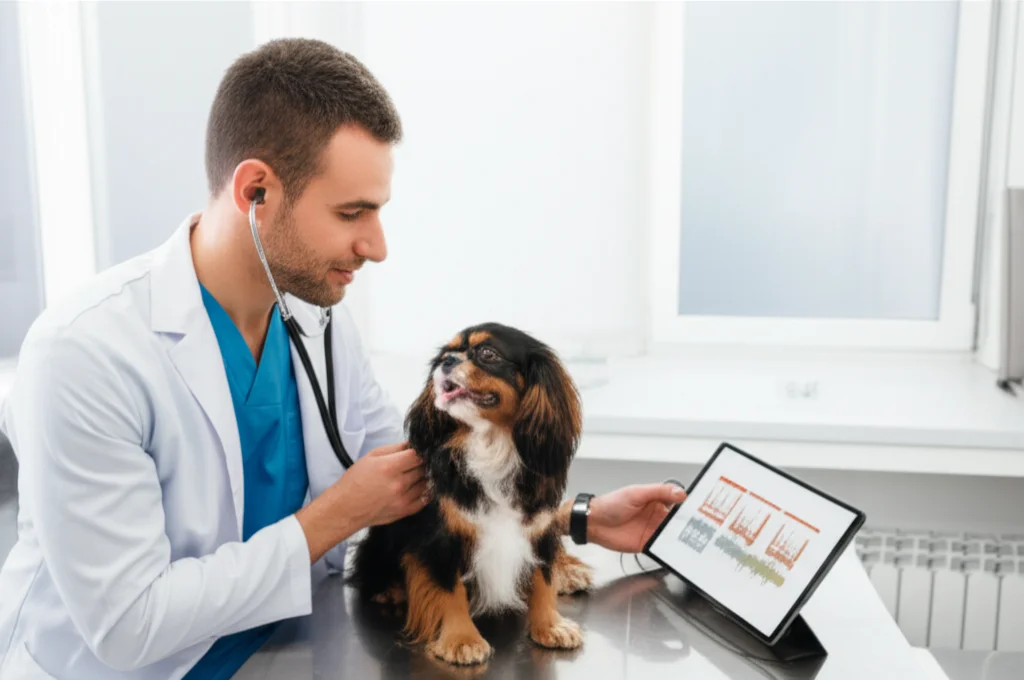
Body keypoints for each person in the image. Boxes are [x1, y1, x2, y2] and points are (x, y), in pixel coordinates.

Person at [0, 38, 687, 679]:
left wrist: (570, 519)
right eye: (353, 213)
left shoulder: (317, 319)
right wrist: (336, 514)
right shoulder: (86, 352)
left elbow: (420, 480)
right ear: (255, 192)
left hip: (290, 646)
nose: (377, 246)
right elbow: (127, 626)